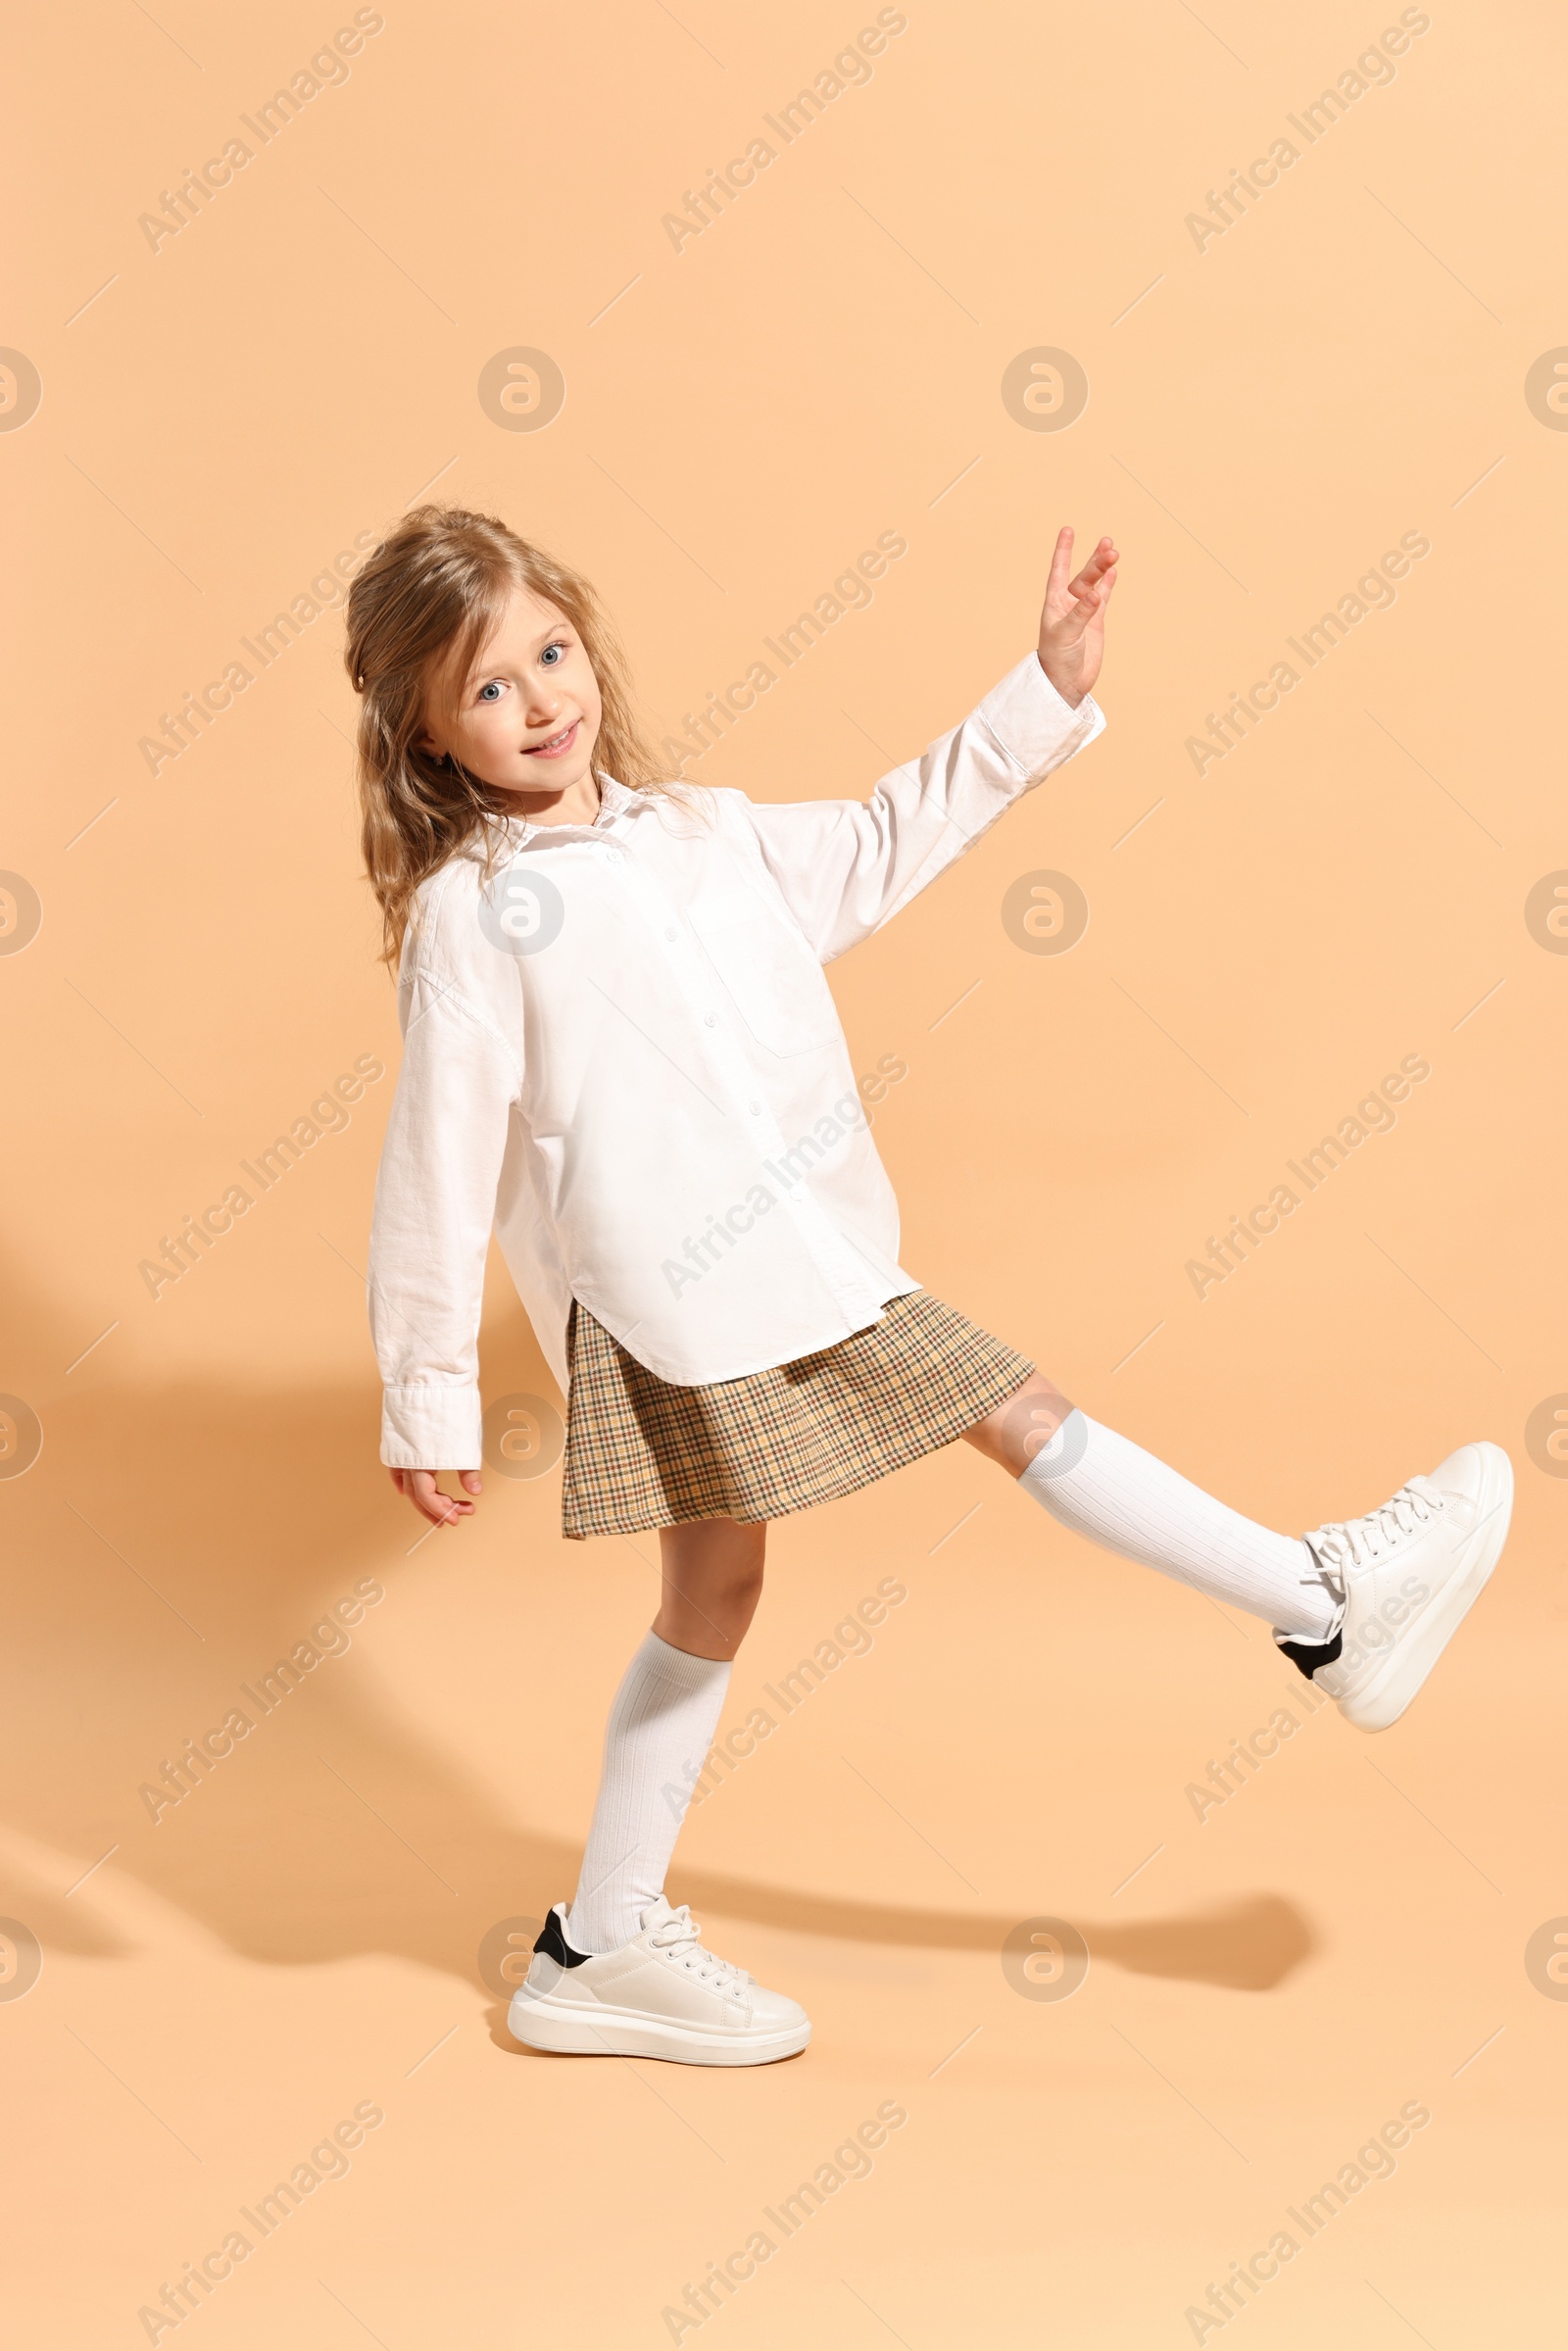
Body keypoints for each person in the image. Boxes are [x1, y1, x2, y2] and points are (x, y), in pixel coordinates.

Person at [346, 506, 1512, 2069]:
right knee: (1006, 1415)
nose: (544, 700)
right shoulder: (473, 916)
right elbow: (432, 1155)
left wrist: (1045, 686)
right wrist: (424, 1389)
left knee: (719, 1591)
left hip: (801, 1259)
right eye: (489, 690)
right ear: (426, 736)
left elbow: (892, 835)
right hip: (671, 1308)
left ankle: (596, 1942)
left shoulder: (704, 832)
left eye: (552, 652)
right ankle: (1325, 1606)